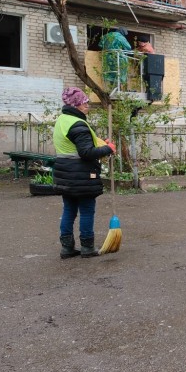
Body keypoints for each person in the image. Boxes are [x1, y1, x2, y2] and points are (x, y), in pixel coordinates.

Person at [52, 87, 116, 259]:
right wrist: (108, 149)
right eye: (84, 102)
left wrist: (102, 144)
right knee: (87, 211)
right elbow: (86, 152)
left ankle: (67, 248)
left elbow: (78, 144)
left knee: (69, 210)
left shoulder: (62, 120)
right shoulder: (78, 124)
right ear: (76, 105)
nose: (88, 105)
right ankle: (87, 247)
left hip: (64, 173)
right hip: (81, 175)